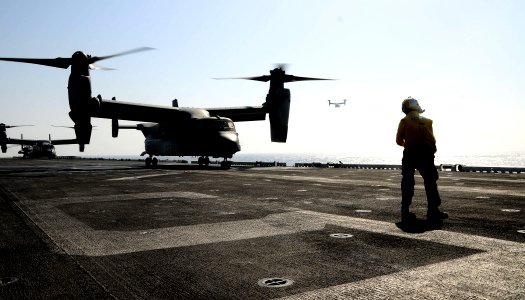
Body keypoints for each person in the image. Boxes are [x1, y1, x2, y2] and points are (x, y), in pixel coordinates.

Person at [396, 97, 448, 223]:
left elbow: (398, 141)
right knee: (430, 182)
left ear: (406, 108)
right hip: (426, 154)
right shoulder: (428, 121)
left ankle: (405, 211)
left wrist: (409, 145)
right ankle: (433, 210)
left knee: (408, 182)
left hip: (410, 154)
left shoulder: (404, 121)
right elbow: (432, 140)